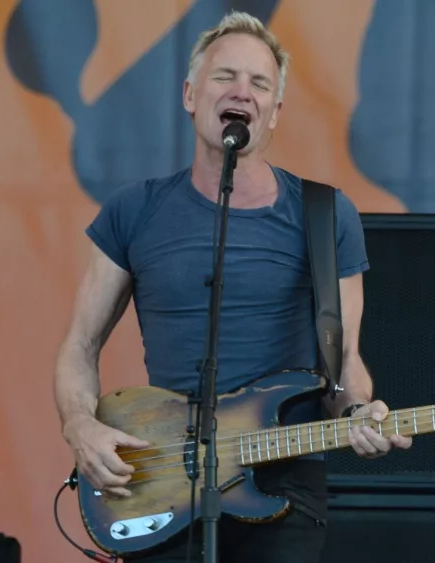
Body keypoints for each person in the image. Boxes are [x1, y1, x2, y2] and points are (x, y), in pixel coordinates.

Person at [53, 10, 413, 562]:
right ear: (192, 94)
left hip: (285, 484)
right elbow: (79, 345)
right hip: (166, 478)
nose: (242, 91)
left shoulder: (324, 214)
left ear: (273, 113)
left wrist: (358, 412)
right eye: (225, 77)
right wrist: (80, 425)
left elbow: (347, 362)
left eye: (259, 82)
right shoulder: (135, 210)